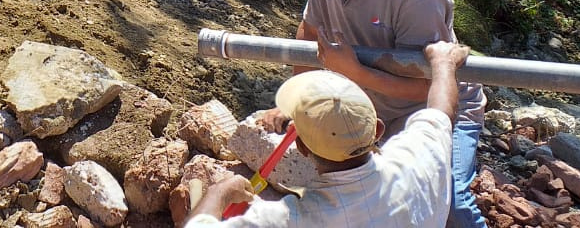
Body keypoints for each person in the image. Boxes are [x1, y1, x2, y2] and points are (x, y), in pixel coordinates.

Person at [258, 0, 488, 227]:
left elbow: (435, 84)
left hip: (436, 107)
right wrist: (295, 107)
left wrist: (356, 73)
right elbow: (311, 30)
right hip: (368, 106)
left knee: (450, 201)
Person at [184, 41, 471, 227]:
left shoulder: (292, 219)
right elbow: (442, 111)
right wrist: (444, 63)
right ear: (377, 129)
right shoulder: (416, 162)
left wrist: (219, 192)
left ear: (302, 148)